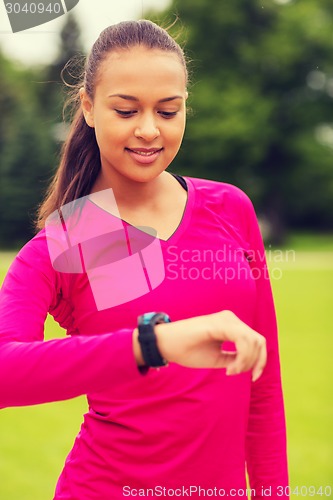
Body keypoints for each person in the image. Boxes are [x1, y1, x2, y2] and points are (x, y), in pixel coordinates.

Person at [0, 19, 288, 499]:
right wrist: (152, 344)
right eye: (127, 110)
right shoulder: (74, 240)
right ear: (89, 108)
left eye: (169, 111)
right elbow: (6, 375)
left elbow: (263, 382)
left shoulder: (228, 208)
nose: (149, 130)